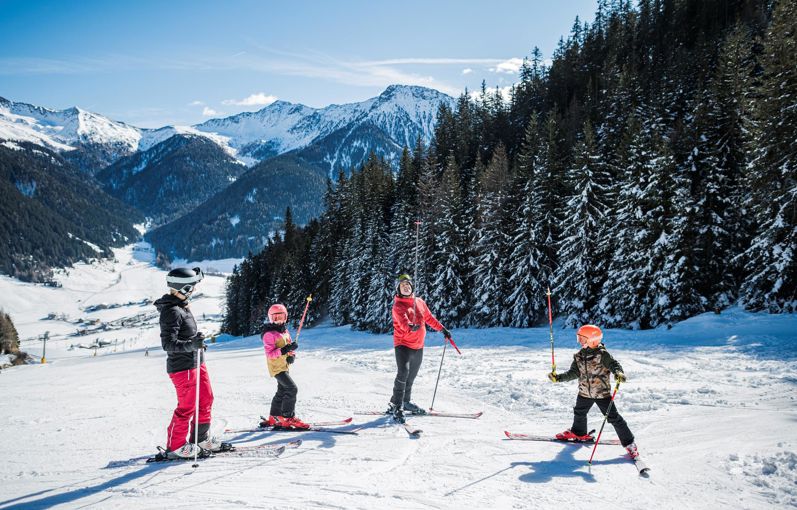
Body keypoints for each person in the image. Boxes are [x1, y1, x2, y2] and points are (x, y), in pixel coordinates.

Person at [155, 267, 225, 459]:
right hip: (182, 367)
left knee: (206, 399)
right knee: (187, 407)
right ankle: (176, 447)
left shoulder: (182, 306)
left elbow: (185, 337)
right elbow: (167, 344)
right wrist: (191, 344)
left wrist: (196, 342)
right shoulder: (171, 311)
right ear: (184, 288)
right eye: (192, 286)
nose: (193, 290)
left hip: (196, 362)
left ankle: (200, 439)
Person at [547, 324, 639, 459]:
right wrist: (559, 378)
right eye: (579, 339)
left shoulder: (602, 355)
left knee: (614, 418)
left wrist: (618, 373)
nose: (580, 342)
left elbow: (614, 364)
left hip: (602, 394)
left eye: (582, 339)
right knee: (579, 412)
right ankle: (579, 433)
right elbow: (573, 373)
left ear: (592, 340)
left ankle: (630, 444)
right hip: (584, 392)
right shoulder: (579, 355)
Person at [387, 274, 451, 423]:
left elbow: (429, 318)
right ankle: (397, 406)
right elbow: (403, 323)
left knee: (411, 376)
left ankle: (405, 401)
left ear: (412, 288)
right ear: (398, 290)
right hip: (403, 345)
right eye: (403, 286)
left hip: (418, 346)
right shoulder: (398, 306)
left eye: (408, 285)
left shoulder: (420, 302)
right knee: (403, 373)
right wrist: (410, 326)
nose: (406, 287)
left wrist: (442, 329)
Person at [260, 303, 309, 430]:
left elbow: (288, 345)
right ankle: (288, 417)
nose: (279, 320)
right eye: (275, 317)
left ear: (286, 317)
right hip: (276, 367)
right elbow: (270, 354)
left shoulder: (284, 331)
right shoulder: (268, 334)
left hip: (284, 365)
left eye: (281, 316)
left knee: (282, 391)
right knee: (292, 389)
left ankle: (274, 417)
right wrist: (285, 349)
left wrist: (291, 353)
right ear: (270, 318)